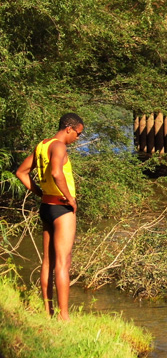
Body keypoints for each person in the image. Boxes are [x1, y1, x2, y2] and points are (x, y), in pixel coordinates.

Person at [15, 113, 84, 321]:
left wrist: (39, 193)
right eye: (78, 133)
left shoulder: (42, 145)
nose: (78, 138)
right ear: (69, 128)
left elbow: (21, 172)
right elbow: (56, 173)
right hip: (61, 210)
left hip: (46, 206)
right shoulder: (59, 146)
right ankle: (64, 317)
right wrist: (70, 199)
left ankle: (48, 312)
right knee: (63, 262)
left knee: (48, 262)